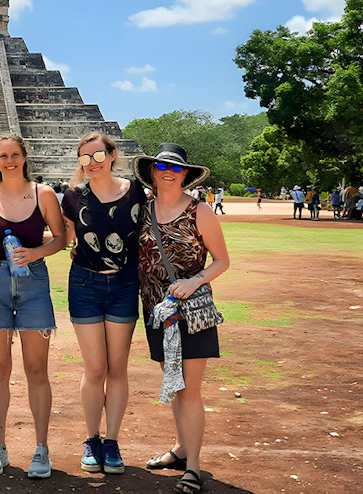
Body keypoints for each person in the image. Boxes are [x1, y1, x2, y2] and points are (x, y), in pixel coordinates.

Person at [0, 135, 68, 479]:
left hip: (33, 282)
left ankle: (41, 447)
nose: (9, 161)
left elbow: (60, 237)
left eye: (15, 155)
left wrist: (36, 252)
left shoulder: (45, 194)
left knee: (37, 371)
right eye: (3, 156)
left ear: (24, 157)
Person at [133, 144, 230, 494]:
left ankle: (193, 467)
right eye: (161, 166)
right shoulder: (142, 211)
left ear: (186, 174)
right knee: (174, 386)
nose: (168, 172)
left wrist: (194, 280)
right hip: (156, 312)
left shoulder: (199, 211)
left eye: (176, 168)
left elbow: (221, 260)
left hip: (190, 312)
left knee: (189, 390)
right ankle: (180, 448)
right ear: (153, 172)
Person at [60, 132, 147, 475]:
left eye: (98, 156)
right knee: (94, 369)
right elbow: (63, 237)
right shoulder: (72, 197)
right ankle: (91, 438)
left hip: (125, 283)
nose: (92, 164)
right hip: (85, 282)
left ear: (112, 155)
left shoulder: (137, 192)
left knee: (117, 368)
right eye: (85, 158)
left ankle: (112, 441)